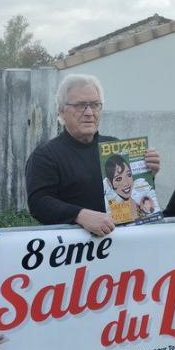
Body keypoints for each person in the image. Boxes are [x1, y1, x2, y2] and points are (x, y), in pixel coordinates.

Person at [25, 74, 160, 236]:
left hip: (122, 247)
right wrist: (80, 215)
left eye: (95, 105)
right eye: (81, 105)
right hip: (72, 254)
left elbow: (135, 201)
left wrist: (147, 173)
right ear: (61, 111)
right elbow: (39, 203)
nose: (89, 112)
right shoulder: (45, 155)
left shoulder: (115, 147)